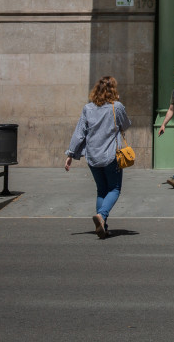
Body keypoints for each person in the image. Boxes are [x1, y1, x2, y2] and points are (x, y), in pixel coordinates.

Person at [64, 75, 131, 239]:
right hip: (110, 156)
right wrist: (118, 104)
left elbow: (80, 133)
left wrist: (70, 154)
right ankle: (101, 216)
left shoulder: (88, 108)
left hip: (93, 156)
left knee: (101, 190)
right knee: (114, 189)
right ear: (113, 90)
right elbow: (126, 124)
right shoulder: (117, 106)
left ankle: (103, 226)